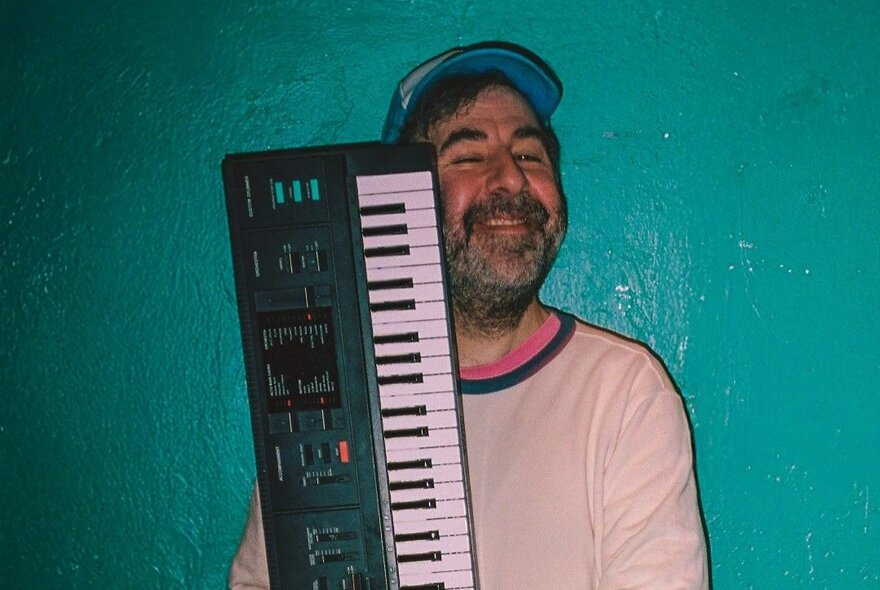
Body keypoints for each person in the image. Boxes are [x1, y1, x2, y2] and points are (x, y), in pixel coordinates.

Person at [230, 41, 709, 589]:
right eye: (468, 156)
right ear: (397, 201)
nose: (510, 179)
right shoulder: (334, 396)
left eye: (529, 155)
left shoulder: (625, 395)